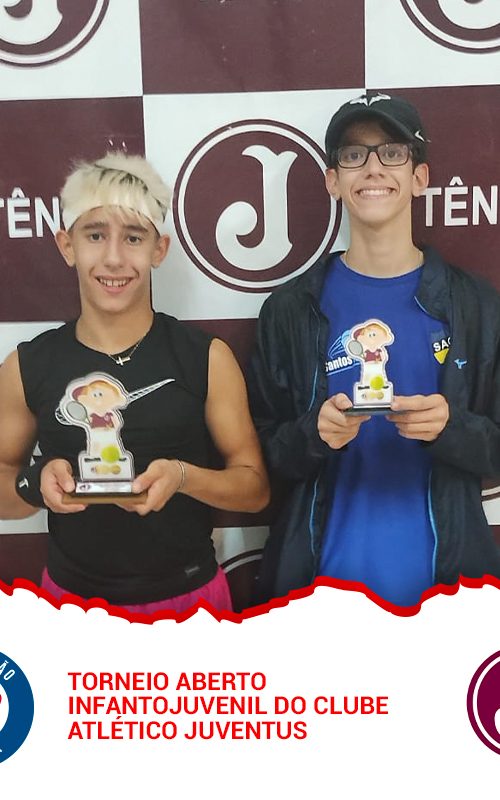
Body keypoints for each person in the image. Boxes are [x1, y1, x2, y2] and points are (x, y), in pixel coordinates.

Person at [248, 92, 500, 607]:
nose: (373, 168)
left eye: (392, 152)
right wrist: (313, 434)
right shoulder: (291, 309)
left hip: (447, 600)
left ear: (420, 177)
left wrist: (451, 429)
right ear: (332, 181)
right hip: (319, 596)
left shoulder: (476, 305)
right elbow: (260, 458)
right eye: (353, 154)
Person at [0, 151, 269, 613]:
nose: (113, 258)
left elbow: (255, 489)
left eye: (133, 237)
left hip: (190, 604)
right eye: (95, 235)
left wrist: (183, 478)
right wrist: (34, 483)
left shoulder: (205, 357)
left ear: (158, 249)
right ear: (67, 245)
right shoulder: (28, 364)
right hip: (72, 608)